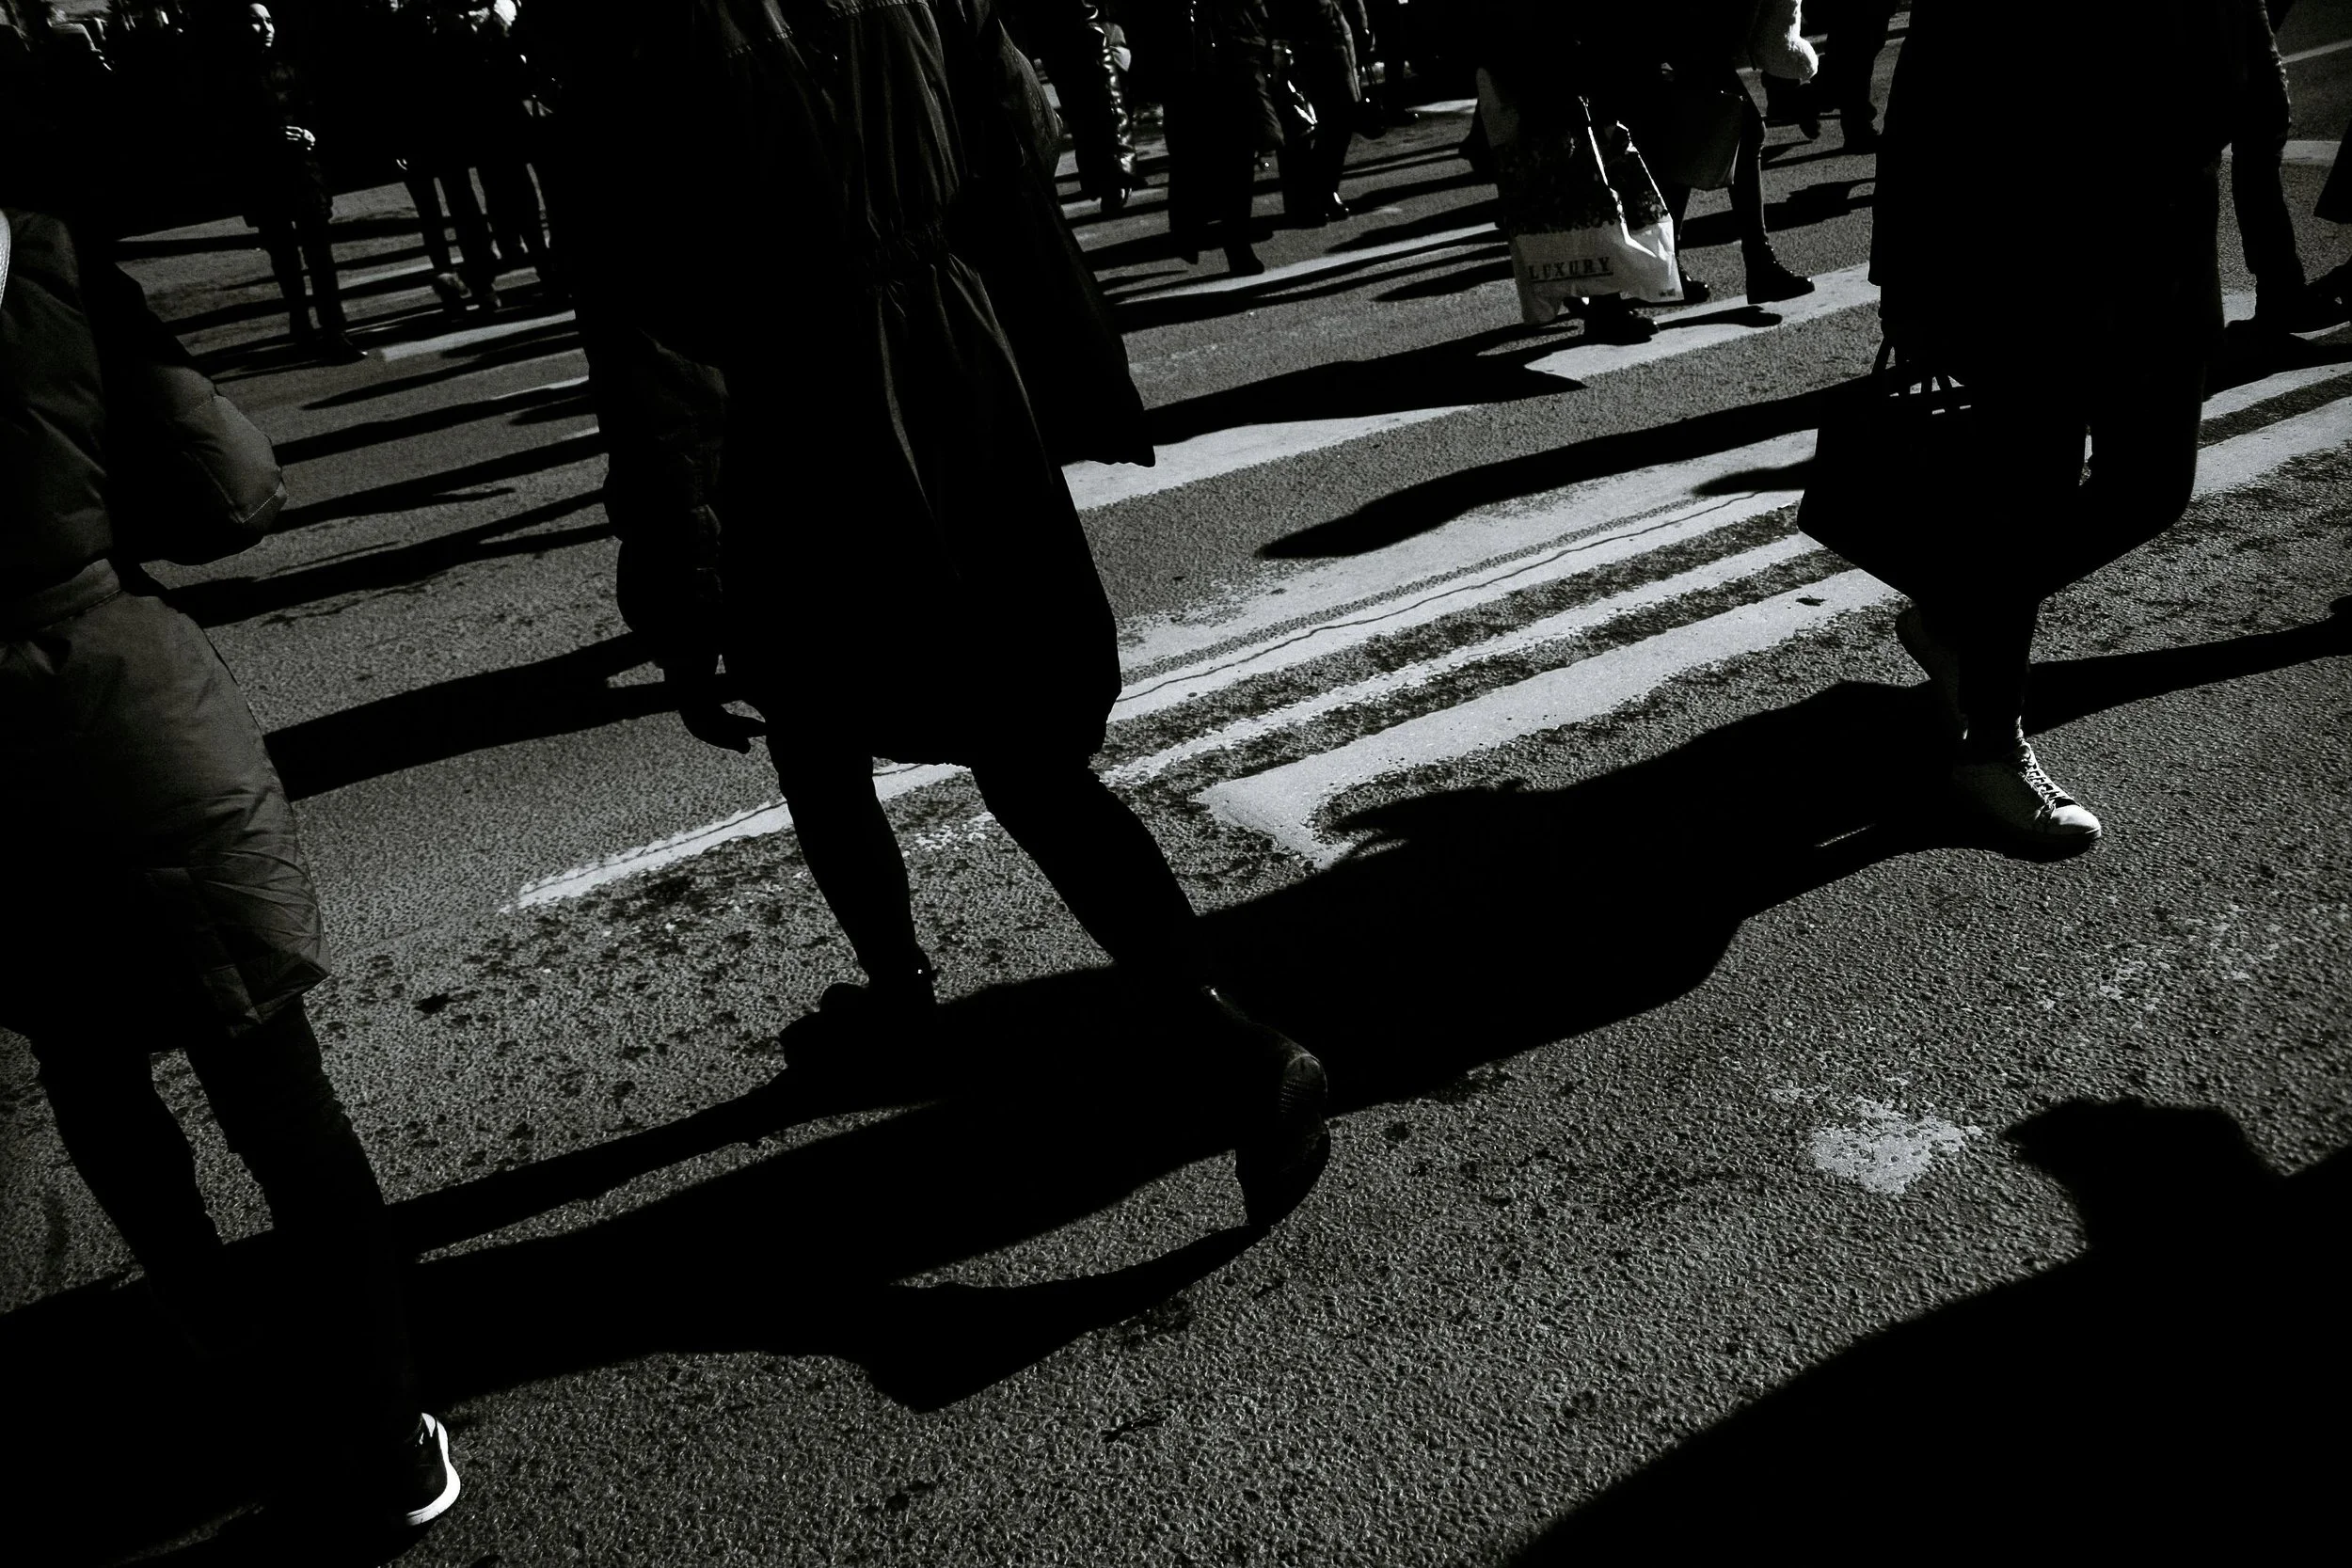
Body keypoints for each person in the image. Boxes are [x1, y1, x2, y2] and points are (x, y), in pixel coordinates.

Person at [546, 0, 1330, 1226]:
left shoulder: (636, 39)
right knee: (1022, 746)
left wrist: (679, 580)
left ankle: (907, 992)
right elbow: (1025, 131)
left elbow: (645, 333)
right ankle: (1217, 1028)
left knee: (813, 721)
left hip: (797, 402)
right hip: (957, 360)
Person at [0, 192, 457, 1550]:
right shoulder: (47, 255)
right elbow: (231, 485)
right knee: (268, 1074)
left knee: (81, 1047)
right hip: (114, 702)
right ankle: (389, 1427)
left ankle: (207, 1307)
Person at [1869, 1, 2251, 846]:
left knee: (2152, 487)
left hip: (2163, 252)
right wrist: (1904, 280)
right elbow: (1927, 96)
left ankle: (1956, 614)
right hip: (2025, 255)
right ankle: (1990, 744)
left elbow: (2234, 80)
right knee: (2027, 497)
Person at [226, 3, 360, 361]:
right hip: (265, 176)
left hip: (303, 170)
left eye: (269, 20)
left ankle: (334, 330)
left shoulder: (289, 64)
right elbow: (228, 130)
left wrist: (310, 134)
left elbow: (311, 107)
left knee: (319, 254)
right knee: (286, 258)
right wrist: (270, 136)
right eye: (255, 21)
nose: (266, 27)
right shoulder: (231, 75)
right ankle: (302, 325)